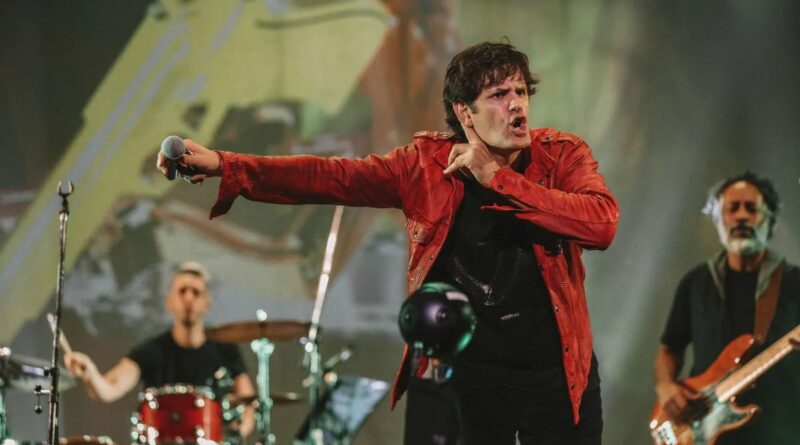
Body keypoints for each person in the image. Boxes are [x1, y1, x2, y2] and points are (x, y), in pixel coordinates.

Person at [158, 40, 619, 444]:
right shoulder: (423, 167)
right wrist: (226, 164)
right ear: (465, 113)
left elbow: (601, 224)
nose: (516, 104)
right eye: (499, 95)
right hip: (466, 380)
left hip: (555, 375)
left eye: (520, 91)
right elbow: (326, 177)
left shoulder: (562, 155)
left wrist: (498, 179)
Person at [654, 172, 800, 444]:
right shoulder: (696, 282)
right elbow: (669, 349)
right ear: (717, 219)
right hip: (704, 431)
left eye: (752, 208)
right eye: (732, 208)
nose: (741, 216)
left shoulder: (795, 282)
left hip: (780, 433)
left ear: (770, 220)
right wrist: (666, 387)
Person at [64, 261, 255, 437]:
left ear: (207, 303)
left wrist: (235, 434)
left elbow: (248, 403)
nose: (189, 298)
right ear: (169, 301)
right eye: (182, 291)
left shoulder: (225, 351)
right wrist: (89, 373)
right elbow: (109, 388)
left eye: (196, 292)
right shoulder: (152, 351)